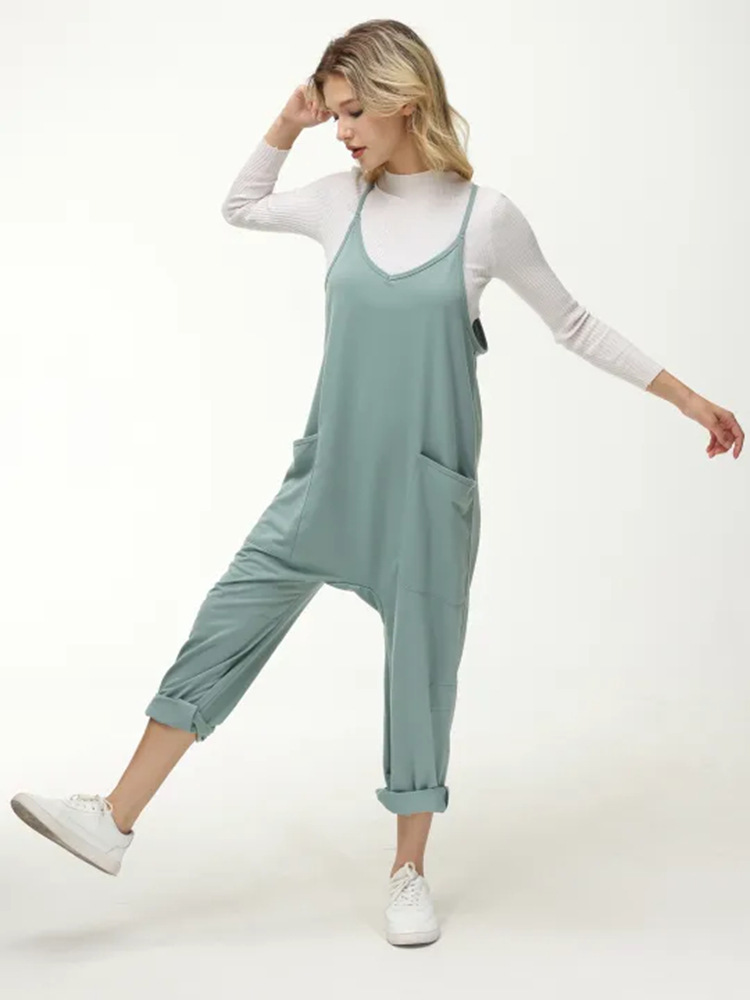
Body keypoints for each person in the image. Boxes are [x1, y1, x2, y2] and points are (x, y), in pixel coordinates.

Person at [10, 18, 743, 947]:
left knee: (419, 678)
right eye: (335, 112)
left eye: (354, 111)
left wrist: (688, 399)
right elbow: (240, 205)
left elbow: (576, 324)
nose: (343, 130)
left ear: (407, 99)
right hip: (328, 477)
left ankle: (408, 873)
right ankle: (114, 820)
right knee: (223, 623)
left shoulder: (485, 218)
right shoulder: (336, 202)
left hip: (425, 496)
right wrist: (288, 121)